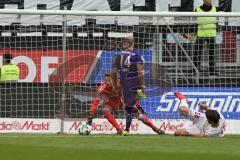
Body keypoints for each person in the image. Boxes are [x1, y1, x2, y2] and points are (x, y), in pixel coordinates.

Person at [87, 73, 164, 134]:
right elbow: (95, 103)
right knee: (105, 110)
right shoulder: (101, 89)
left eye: (109, 80)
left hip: (123, 100)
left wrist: (135, 104)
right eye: (105, 80)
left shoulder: (121, 84)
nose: (107, 82)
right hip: (111, 102)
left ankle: (154, 128)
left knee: (137, 113)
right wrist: (90, 116)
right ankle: (119, 130)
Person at [111, 36, 146, 136]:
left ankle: (128, 127)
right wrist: (142, 85)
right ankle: (127, 129)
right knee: (130, 105)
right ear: (132, 44)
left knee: (129, 105)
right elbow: (140, 71)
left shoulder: (118, 56)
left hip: (124, 83)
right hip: (134, 82)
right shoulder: (137, 55)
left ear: (125, 44)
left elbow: (113, 73)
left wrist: (115, 85)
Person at [194, 0, 218, 76]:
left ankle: (212, 71)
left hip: (211, 34)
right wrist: (194, 33)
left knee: (212, 54)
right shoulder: (197, 9)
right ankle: (196, 70)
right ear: (203, 0)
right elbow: (195, 24)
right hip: (201, 34)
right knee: (197, 53)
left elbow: (217, 22)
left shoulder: (215, 9)